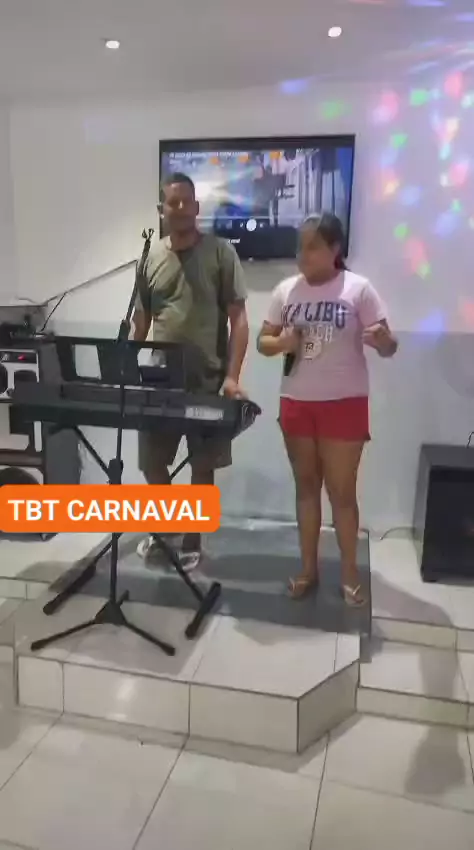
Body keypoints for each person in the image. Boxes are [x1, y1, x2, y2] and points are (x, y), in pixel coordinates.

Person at [257, 212, 397, 606]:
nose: (303, 255)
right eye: (300, 247)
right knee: (305, 489)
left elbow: (389, 346)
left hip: (344, 405)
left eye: (313, 247)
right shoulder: (286, 291)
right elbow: (263, 343)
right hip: (296, 403)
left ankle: (350, 573)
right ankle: (308, 570)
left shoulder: (358, 289)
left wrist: (383, 341)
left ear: (335, 249)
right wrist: (282, 343)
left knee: (341, 493)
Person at [132, 172, 249, 569]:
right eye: (172, 202)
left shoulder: (220, 253)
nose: (180, 208)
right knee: (151, 462)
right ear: (161, 209)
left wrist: (232, 377)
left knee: (202, 466)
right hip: (160, 383)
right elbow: (141, 323)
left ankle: (193, 538)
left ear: (197, 207)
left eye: (187, 202)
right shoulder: (149, 258)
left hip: (207, 382)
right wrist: (125, 367)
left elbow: (239, 319)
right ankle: (164, 527)